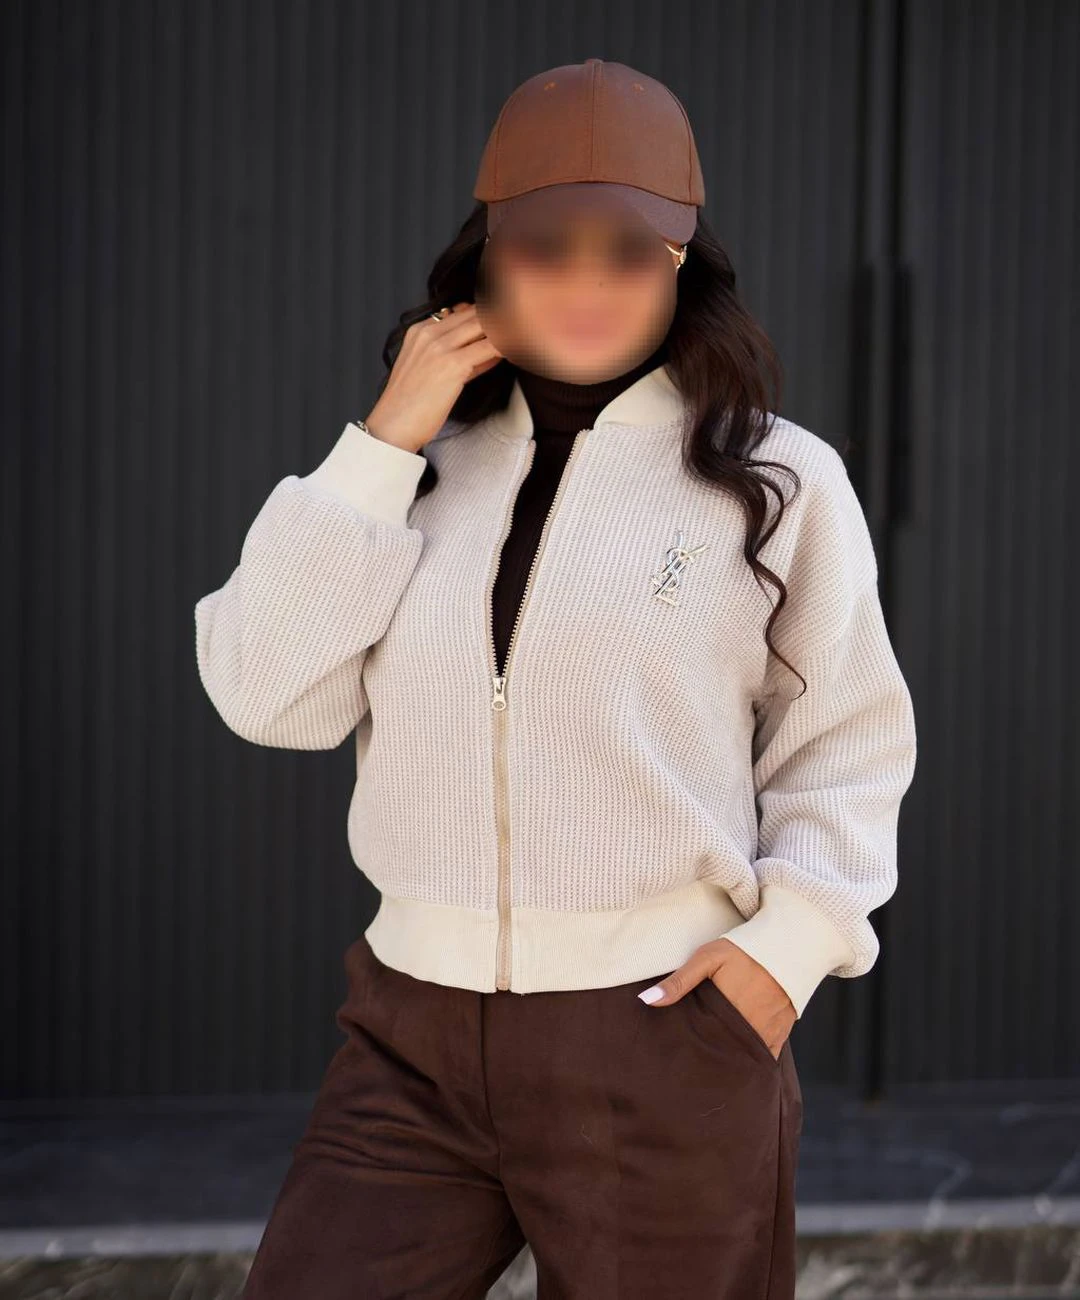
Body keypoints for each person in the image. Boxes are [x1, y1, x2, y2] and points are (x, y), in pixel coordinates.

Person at [195, 57, 918, 1300]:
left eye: (630, 252)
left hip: (665, 1038)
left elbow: (846, 738)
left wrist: (786, 953)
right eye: (546, 248)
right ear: (486, 260)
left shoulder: (776, 478)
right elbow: (266, 696)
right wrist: (382, 441)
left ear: (681, 265)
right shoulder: (413, 471)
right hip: (410, 1039)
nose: (588, 285)